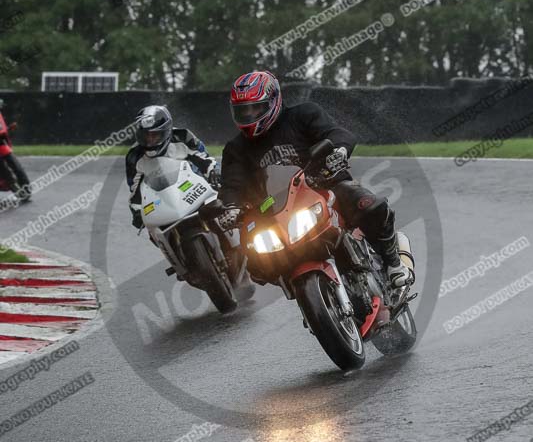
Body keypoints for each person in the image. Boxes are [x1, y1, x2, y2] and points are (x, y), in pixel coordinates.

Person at [219, 70, 412, 287]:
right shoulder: (236, 149)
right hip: (275, 210)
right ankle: (297, 287)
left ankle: (394, 263)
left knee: (370, 205)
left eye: (256, 107)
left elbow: (338, 133)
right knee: (256, 259)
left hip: (325, 185)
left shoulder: (302, 115)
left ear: (273, 101)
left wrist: (338, 152)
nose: (250, 115)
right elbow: (231, 184)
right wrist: (230, 207)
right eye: (243, 110)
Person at [126, 105, 218, 229]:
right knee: (154, 230)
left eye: (155, 135)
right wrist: (136, 211)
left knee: (221, 208)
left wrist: (214, 173)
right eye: (146, 136)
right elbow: (134, 189)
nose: (150, 140)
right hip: (162, 202)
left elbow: (205, 159)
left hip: (193, 190)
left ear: (166, 131)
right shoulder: (134, 156)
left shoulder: (183, 137)